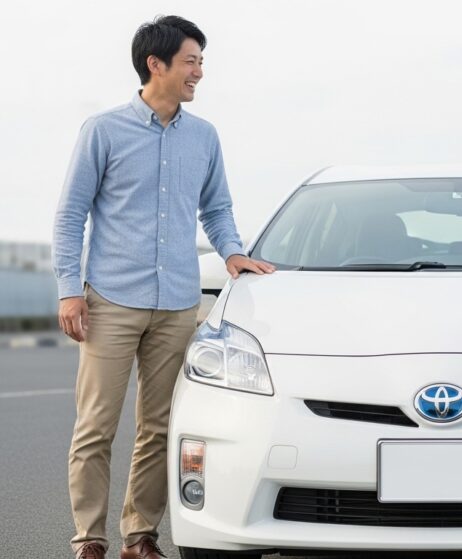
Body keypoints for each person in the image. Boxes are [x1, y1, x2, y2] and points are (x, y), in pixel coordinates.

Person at [52, 15, 275, 559]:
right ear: (156, 64)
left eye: (201, 62)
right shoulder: (103, 131)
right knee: (96, 427)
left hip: (176, 304)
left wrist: (233, 252)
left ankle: (140, 536)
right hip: (110, 301)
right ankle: (89, 539)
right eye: (190, 61)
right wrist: (69, 288)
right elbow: (70, 215)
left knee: (158, 427)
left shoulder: (204, 137)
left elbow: (216, 208)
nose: (199, 72)